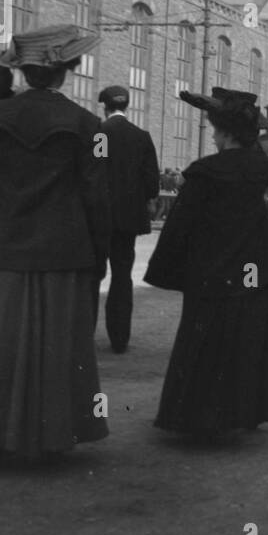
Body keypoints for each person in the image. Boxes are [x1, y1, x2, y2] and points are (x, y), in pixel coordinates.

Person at [0, 23, 110, 469]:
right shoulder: (90, 125)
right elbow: (96, 193)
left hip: (3, 250)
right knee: (57, 344)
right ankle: (53, 438)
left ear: (26, 71)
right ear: (67, 72)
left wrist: (3, 79)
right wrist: (98, 255)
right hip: (62, 250)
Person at [146, 88, 268, 440]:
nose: (211, 134)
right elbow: (257, 149)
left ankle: (199, 417)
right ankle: (247, 411)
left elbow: (182, 224)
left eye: (215, 128)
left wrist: (168, 268)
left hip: (211, 266)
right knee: (249, 335)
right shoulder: (261, 168)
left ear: (224, 132)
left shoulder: (204, 171)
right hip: (252, 264)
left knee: (205, 339)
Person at [93, 84, 160, 354]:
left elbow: (92, 172)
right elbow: (152, 183)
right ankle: (119, 339)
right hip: (128, 221)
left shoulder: (100, 135)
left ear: (105, 106)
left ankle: (84, 336)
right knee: (122, 277)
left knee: (93, 276)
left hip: (99, 218)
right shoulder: (141, 137)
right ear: (126, 106)